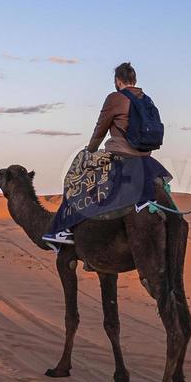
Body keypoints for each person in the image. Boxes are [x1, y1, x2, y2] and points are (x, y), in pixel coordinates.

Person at [43, 61, 164, 246]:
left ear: (118, 80)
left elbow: (100, 129)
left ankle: (62, 229)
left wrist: (88, 151)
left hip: (121, 155)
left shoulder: (116, 98)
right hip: (146, 158)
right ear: (134, 79)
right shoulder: (147, 100)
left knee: (76, 178)